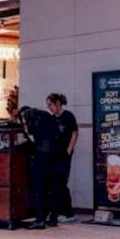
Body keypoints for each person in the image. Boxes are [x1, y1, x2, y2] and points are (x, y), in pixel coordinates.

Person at [19, 105, 60, 229]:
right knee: (51, 188)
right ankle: (53, 218)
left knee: (38, 188)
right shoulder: (45, 116)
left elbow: (32, 138)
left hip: (41, 157)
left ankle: (39, 220)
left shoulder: (31, 118)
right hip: (54, 156)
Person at [46, 93, 78, 224]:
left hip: (65, 154)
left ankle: (68, 213)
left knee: (62, 183)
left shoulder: (68, 116)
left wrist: (69, 149)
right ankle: (58, 211)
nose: (49, 108)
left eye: (50, 105)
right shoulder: (52, 118)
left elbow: (74, 133)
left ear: (58, 103)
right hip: (55, 154)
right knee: (54, 183)